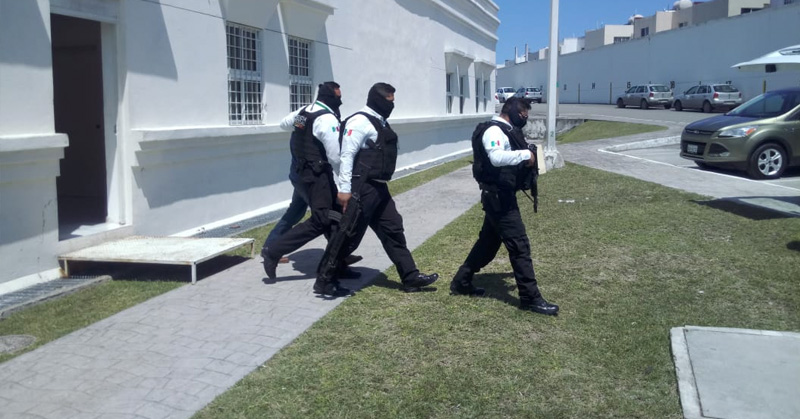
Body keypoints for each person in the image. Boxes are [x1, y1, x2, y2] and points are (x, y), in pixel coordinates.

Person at [313, 82, 439, 296]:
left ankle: (410, 277)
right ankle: (324, 280)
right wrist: (344, 189)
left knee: (393, 229)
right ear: (377, 100)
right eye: (389, 101)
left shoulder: (380, 121)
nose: (392, 105)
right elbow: (346, 156)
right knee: (348, 235)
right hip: (361, 188)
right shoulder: (359, 121)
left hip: (379, 188)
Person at [450, 97, 559, 316]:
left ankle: (461, 281)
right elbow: (497, 158)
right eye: (523, 114)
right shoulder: (493, 131)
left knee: (487, 245)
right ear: (512, 111)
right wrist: (526, 154)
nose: (525, 118)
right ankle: (530, 298)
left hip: (501, 196)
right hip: (499, 199)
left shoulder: (506, 130)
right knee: (520, 246)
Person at [262, 82, 360, 277]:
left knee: (324, 214)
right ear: (330, 98)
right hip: (315, 178)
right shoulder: (327, 120)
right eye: (338, 98)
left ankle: (338, 261)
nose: (340, 102)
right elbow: (336, 157)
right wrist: (345, 186)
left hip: (300, 174)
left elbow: (285, 124)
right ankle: (273, 251)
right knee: (323, 218)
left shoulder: (304, 112)